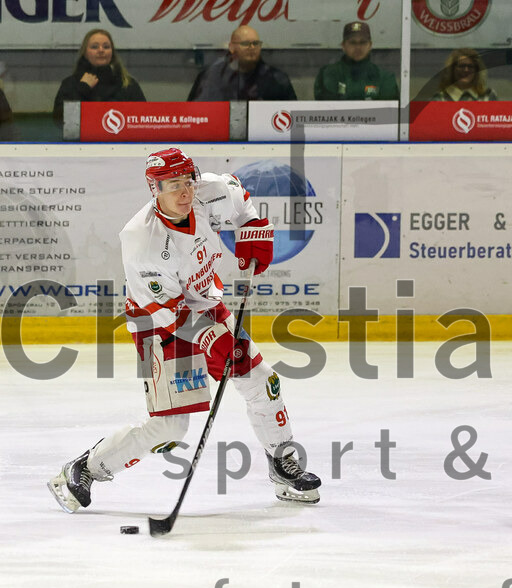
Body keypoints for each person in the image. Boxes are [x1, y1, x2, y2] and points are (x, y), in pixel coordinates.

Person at [47, 148, 321, 513]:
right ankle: (84, 469)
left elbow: (242, 205)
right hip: (158, 323)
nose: (185, 192)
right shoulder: (142, 241)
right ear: (154, 188)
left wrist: (252, 229)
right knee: (171, 429)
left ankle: (282, 464)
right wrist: (210, 339)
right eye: (173, 185)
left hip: (205, 302)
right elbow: (166, 312)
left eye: (187, 181)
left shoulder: (211, 191)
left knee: (261, 380)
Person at [53, 28, 145, 124]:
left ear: (112, 52)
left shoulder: (128, 84)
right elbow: (59, 119)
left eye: (106, 47)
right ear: (85, 53)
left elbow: (143, 118)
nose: (101, 50)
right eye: (94, 47)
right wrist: (82, 90)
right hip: (82, 139)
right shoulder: (71, 83)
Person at [188, 24, 296, 102]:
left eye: (256, 43)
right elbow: (193, 116)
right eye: (245, 43)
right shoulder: (210, 77)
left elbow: (293, 119)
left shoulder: (277, 79)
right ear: (231, 47)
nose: (252, 47)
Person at [314, 21, 398, 101]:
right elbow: (327, 109)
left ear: (370, 45)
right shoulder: (328, 74)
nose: (358, 47)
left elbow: (389, 111)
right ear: (343, 45)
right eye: (352, 42)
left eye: (363, 42)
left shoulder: (384, 77)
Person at [432, 49, 498, 102]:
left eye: (470, 66)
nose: (466, 70)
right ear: (452, 69)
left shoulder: (488, 96)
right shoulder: (439, 99)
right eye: (461, 66)